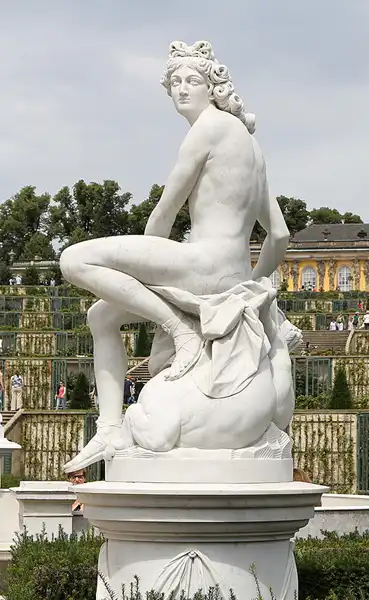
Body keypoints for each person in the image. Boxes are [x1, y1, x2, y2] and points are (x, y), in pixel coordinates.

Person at [60, 40, 290, 474]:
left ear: (213, 87)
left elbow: (163, 214)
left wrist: (146, 281)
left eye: (193, 81)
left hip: (200, 264)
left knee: (74, 260)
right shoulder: (253, 148)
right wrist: (250, 290)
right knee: (101, 317)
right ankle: (109, 428)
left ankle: (176, 329)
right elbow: (279, 235)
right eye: (175, 82)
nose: (182, 89)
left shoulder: (207, 128)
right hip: (231, 274)